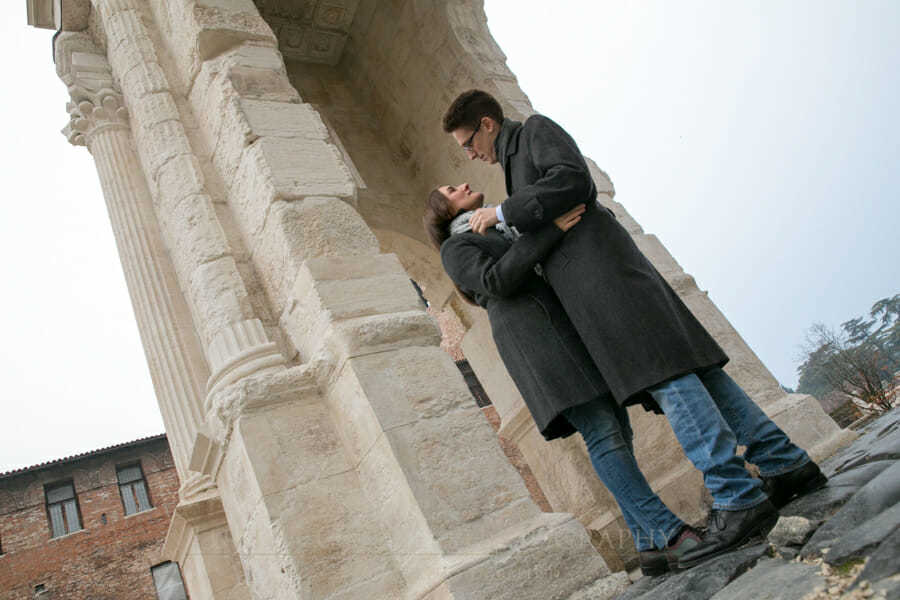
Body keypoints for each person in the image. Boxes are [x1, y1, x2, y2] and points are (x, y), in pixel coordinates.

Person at [440, 89, 827, 570]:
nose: (469, 154)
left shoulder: (534, 131)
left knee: (668, 377)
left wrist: (502, 213)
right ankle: (784, 462)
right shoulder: (500, 184)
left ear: (487, 124)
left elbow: (572, 179)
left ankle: (737, 496)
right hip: (598, 285)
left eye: (467, 143)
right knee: (693, 371)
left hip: (604, 280)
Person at [424, 183, 704, 575]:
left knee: (617, 429)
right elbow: (495, 282)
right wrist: (549, 231)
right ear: (443, 210)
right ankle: (670, 533)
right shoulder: (454, 249)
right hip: (536, 342)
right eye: (453, 190)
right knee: (603, 433)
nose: (464, 186)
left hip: (566, 333)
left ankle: (649, 548)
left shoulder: (499, 231)